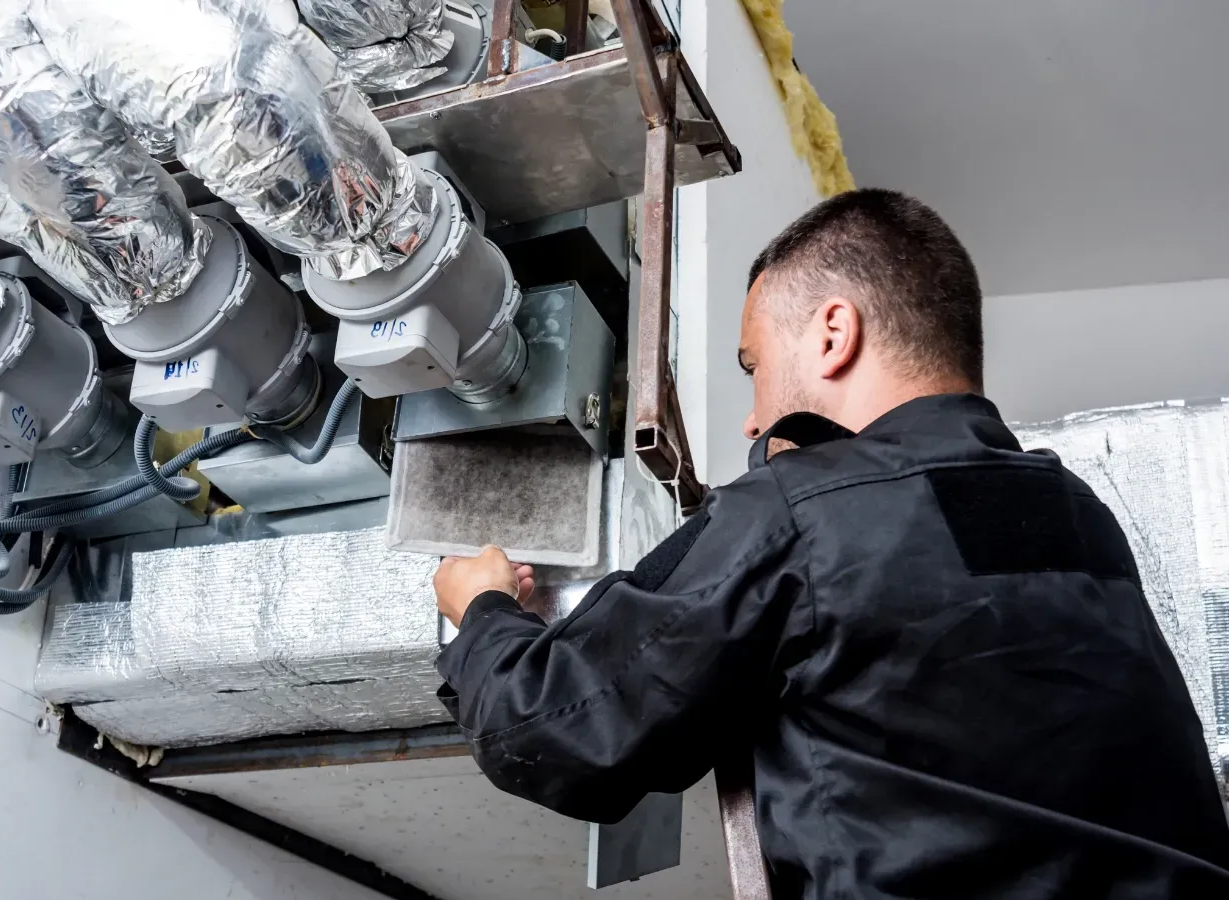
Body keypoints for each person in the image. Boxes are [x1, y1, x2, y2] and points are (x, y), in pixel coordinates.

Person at [431, 188, 1229, 898]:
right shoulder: (1080, 513)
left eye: (755, 366)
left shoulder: (805, 506)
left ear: (832, 333)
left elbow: (555, 727)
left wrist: (482, 611)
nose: (752, 418)